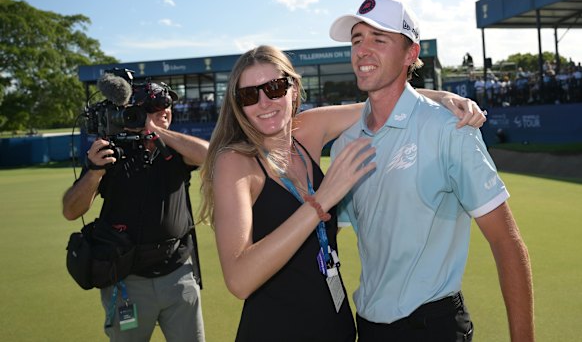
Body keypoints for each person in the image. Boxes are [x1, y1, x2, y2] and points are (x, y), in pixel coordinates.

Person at [198, 45, 487, 342]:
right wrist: (321, 200)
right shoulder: (236, 161)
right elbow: (239, 280)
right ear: (238, 105)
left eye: (274, 88)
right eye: (249, 95)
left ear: (293, 89)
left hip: (337, 327)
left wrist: (443, 97)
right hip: (276, 330)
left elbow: (385, 103)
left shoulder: (307, 131)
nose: (263, 102)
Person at [329, 0, 534, 341]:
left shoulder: (449, 128)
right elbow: (328, 236)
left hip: (433, 327)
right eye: (357, 40)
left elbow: (506, 241)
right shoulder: (344, 143)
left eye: (379, 39)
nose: (362, 50)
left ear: (411, 54)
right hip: (367, 328)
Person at [62, 80, 209, 342]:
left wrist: (157, 132)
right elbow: (72, 210)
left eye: (167, 104)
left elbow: (210, 155)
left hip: (178, 273)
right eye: (154, 105)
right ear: (135, 110)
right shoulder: (112, 152)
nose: (164, 109)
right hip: (127, 279)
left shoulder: (175, 150)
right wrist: (95, 170)